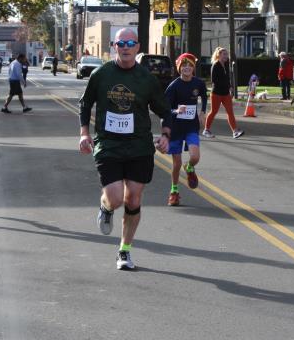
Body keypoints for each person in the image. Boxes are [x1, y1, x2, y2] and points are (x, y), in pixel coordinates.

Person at [79, 27, 171, 270]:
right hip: (108, 144)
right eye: (121, 43)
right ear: (114, 46)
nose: (126, 48)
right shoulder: (101, 74)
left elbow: (165, 111)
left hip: (139, 146)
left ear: (138, 47)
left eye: (131, 44)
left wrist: (165, 135)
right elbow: (85, 104)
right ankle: (106, 207)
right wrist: (84, 133)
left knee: (133, 199)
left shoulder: (147, 79)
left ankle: (124, 250)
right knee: (116, 198)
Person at [163, 53, 207, 207]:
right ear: (179, 68)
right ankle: (174, 192)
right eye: (184, 65)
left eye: (190, 65)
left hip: (191, 127)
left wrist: (202, 112)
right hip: (176, 128)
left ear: (193, 68)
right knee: (176, 163)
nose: (187, 68)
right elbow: (164, 109)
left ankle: (189, 167)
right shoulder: (173, 86)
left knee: (195, 157)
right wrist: (176, 111)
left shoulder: (198, 83)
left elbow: (204, 96)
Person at [202, 46, 243, 139]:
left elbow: (227, 78)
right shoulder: (215, 65)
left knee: (230, 112)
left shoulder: (226, 64)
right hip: (216, 93)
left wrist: (230, 87)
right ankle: (206, 130)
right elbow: (214, 80)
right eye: (224, 54)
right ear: (218, 55)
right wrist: (225, 85)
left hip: (226, 94)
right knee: (213, 112)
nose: (226, 56)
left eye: (226, 54)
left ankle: (235, 131)